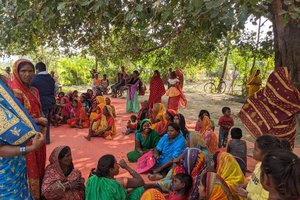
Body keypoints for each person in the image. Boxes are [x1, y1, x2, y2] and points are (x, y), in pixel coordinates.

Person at [0, 77, 45, 199]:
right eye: (5, 85)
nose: (10, 87)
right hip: (5, 174)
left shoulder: (6, 109)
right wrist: (30, 148)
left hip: (16, 169)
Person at [11, 59, 47, 200]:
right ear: (17, 72)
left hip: (38, 134)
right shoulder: (15, 92)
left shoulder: (34, 90)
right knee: (28, 168)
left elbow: (39, 109)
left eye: (30, 71)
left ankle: (38, 193)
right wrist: (37, 120)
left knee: (39, 164)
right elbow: (15, 120)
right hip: (25, 138)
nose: (27, 74)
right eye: (23, 71)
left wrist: (42, 120)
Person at [239, 67, 300, 148]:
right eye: (289, 75)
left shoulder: (264, 92)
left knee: (272, 148)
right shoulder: (293, 91)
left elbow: (253, 100)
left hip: (272, 130)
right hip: (287, 130)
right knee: (284, 150)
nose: (290, 77)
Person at [235, 135, 291, 200]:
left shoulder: (269, 175)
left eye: (256, 149)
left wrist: (247, 194)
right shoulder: (259, 164)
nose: (253, 151)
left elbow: (265, 198)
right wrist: (245, 185)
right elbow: (255, 181)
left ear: (265, 154)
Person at [31, 62, 55, 144]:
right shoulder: (51, 78)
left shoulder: (35, 79)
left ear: (37, 69)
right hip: (51, 102)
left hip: (41, 103)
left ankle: (42, 139)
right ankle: (47, 139)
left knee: (41, 122)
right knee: (47, 122)